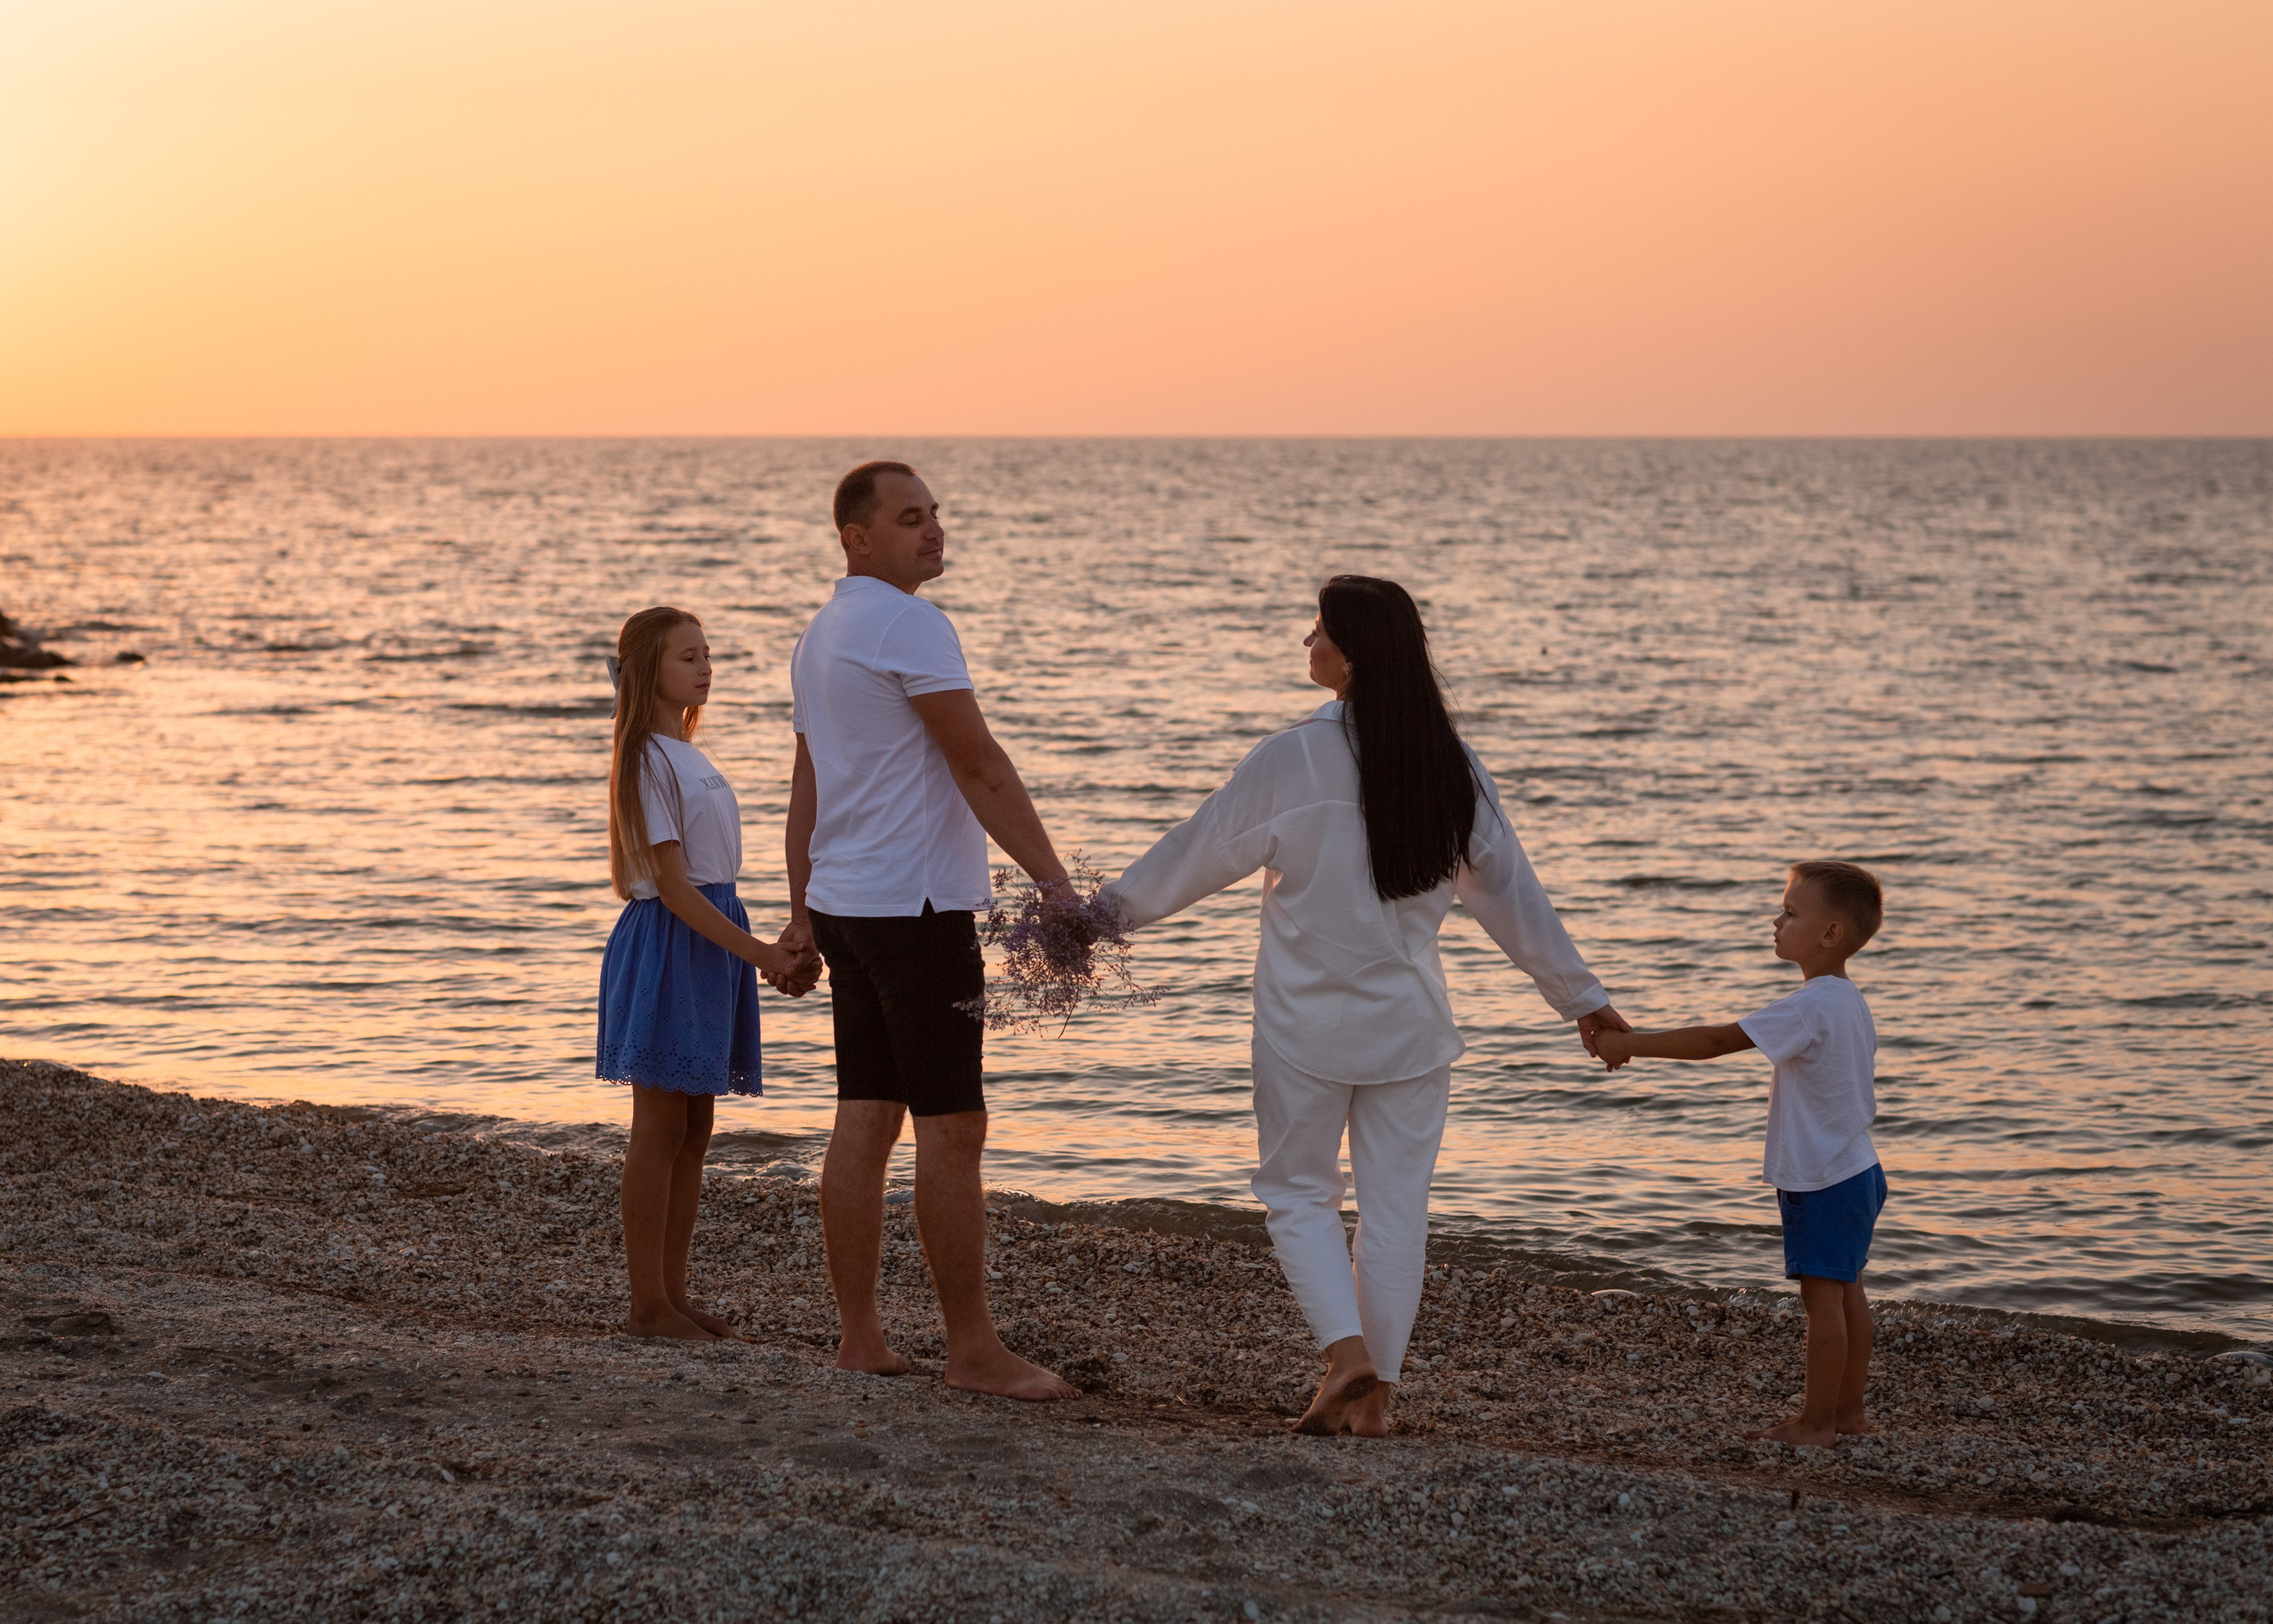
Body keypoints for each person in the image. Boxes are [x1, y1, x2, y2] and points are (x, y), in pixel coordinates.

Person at [1102, 574, 1628, 1436]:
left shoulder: (1293, 758)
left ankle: (1347, 1357)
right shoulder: (1450, 764)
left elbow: (1196, 854)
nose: (1306, 641)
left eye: (1318, 628)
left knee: (1297, 1193)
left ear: (1352, 654)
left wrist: (1092, 923)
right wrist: (1582, 997)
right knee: (1394, 1213)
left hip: (1302, 1027)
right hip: (1409, 1031)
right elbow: (1512, 897)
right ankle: (1373, 1399)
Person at [774, 461, 1079, 1401]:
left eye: (935, 513)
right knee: (953, 1126)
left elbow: (807, 785)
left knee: (866, 1115)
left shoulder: (821, 634)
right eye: (910, 518)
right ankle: (973, 1350)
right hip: (913, 911)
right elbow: (977, 761)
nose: (933, 529)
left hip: (847, 903)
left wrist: (801, 907)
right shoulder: (910, 624)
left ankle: (860, 1337)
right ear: (857, 537)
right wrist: (1056, 884)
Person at [1595, 860, 1887, 1447]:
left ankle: (1816, 1423)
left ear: (1830, 933)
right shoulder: (1848, 1000)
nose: (1776, 921)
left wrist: (1630, 1044)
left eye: (1790, 913)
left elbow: (1715, 1041)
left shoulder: (1808, 1006)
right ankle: (1848, 1413)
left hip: (1823, 1179)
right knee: (1848, 1290)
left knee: (1822, 1301)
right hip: (1858, 1167)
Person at [598, 606, 812, 1341]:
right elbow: (674, 887)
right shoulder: (646, 759)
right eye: (688, 657)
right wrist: (761, 955)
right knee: (659, 1123)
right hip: (671, 940)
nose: (705, 668)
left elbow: (712, 878)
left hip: (710, 936)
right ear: (648, 670)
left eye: (708, 655)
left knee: (696, 1123)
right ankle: (646, 1304)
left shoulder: (687, 753)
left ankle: (673, 1292)